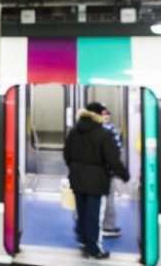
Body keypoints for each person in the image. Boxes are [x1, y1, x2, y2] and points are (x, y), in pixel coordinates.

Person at [64, 103, 130, 259]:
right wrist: (124, 175)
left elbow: (67, 155)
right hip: (97, 181)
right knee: (95, 216)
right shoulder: (104, 134)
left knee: (82, 212)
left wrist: (75, 169)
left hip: (77, 179)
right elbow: (113, 160)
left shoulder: (73, 132)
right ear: (99, 115)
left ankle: (83, 240)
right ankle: (94, 249)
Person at [86, 102, 124, 238]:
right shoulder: (104, 131)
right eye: (103, 114)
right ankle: (104, 226)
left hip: (103, 171)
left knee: (106, 199)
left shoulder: (110, 130)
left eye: (108, 113)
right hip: (100, 171)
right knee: (104, 199)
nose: (106, 116)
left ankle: (103, 225)